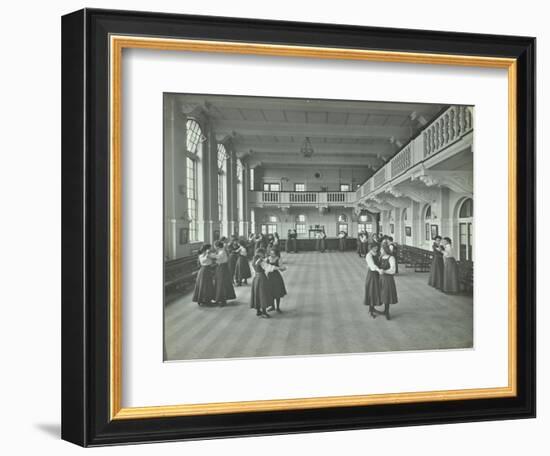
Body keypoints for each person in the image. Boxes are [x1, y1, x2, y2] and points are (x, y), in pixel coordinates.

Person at [250, 248, 282, 318]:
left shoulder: (253, 259)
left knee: (257, 294)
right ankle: (264, 312)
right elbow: (268, 267)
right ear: (260, 253)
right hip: (262, 278)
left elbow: (255, 266)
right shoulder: (260, 260)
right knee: (263, 295)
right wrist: (279, 268)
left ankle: (258, 311)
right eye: (263, 253)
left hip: (256, 277)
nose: (264, 255)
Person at [377, 244, 398, 320]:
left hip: (388, 279)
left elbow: (393, 270)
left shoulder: (391, 258)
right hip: (381, 278)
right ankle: (384, 310)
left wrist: (385, 271)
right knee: (382, 294)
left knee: (387, 295)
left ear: (386, 250)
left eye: (382, 250)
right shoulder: (381, 257)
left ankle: (387, 312)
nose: (380, 251)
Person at [212, 240, 236, 306]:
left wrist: (208, 255)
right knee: (218, 283)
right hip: (220, 268)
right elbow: (216, 256)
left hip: (223, 268)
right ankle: (218, 299)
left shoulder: (222, 251)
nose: (214, 247)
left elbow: (217, 257)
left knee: (222, 283)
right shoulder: (220, 251)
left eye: (214, 245)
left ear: (217, 246)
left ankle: (223, 300)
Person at [363, 244, 382, 318]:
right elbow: (372, 265)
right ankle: (371, 310)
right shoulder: (369, 255)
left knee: (375, 291)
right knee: (371, 291)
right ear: (371, 248)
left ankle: (373, 308)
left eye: (377, 248)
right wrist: (378, 270)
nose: (376, 249)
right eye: (374, 248)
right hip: (372, 274)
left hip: (376, 274)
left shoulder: (376, 254)